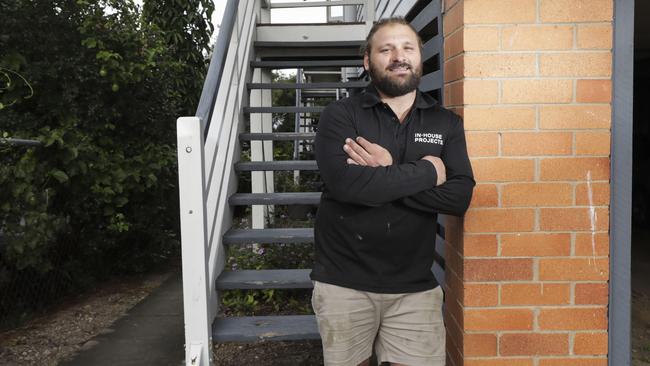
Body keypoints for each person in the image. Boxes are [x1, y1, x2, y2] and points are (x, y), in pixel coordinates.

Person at [310, 17, 475, 366]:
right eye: (386, 49)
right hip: (344, 284)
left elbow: (459, 197)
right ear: (368, 61)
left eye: (407, 48)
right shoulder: (341, 116)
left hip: (415, 287)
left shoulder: (445, 123)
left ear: (420, 58)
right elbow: (345, 185)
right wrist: (430, 171)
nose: (398, 56)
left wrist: (383, 176)